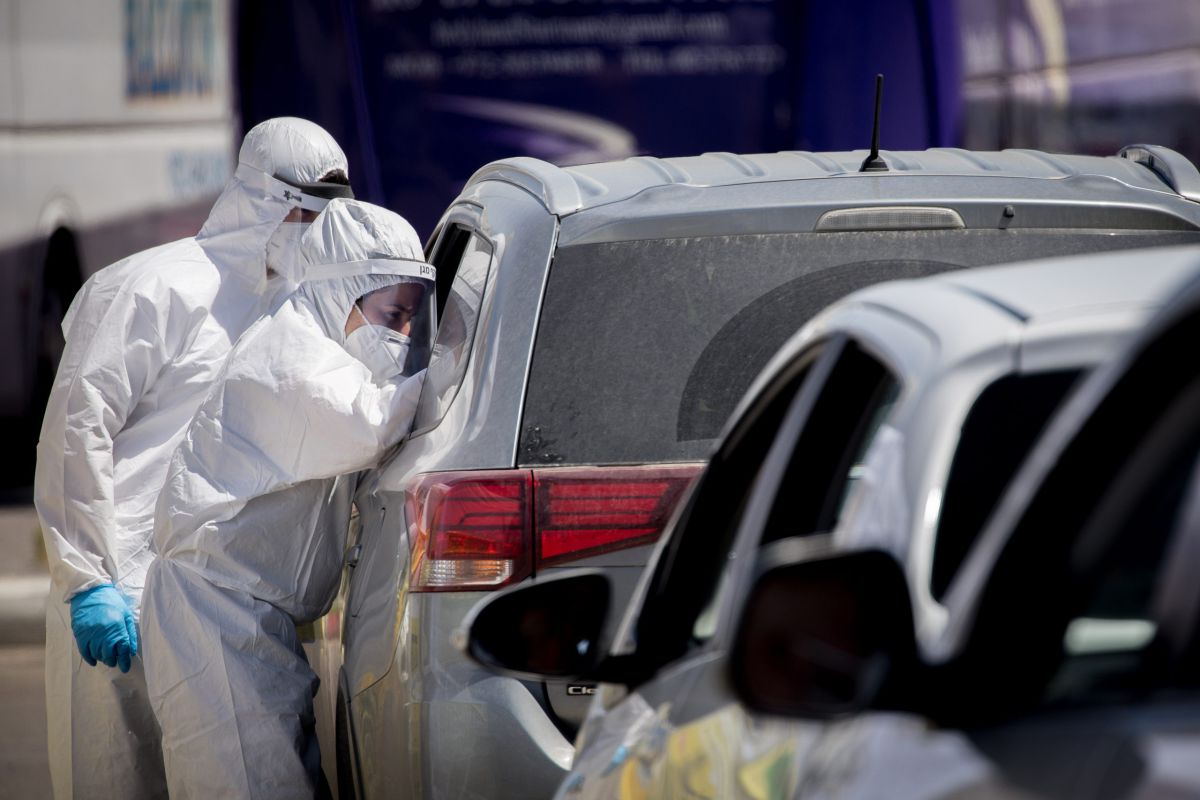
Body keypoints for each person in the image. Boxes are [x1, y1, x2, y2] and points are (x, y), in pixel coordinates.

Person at [34, 117, 353, 799]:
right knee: (116, 777)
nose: (310, 230)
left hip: (218, 609)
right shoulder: (154, 286)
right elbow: (76, 426)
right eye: (304, 211)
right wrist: (88, 579)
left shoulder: (299, 309)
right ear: (264, 197)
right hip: (120, 595)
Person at [141, 198, 435, 798]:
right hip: (215, 616)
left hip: (245, 614)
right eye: (392, 314)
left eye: (413, 318)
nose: (402, 335)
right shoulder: (290, 358)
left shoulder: (319, 345)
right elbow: (374, 424)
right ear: (341, 292)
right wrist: (458, 370)